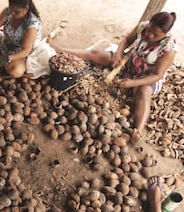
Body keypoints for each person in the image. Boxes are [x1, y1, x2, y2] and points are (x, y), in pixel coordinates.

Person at [48, 12, 177, 144]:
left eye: (155, 34)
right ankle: (62, 50)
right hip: (129, 62)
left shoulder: (168, 49)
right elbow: (127, 40)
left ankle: (137, 131)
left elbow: (157, 75)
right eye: (150, 30)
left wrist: (133, 83)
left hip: (147, 76)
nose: (150, 35)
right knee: (96, 54)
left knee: (143, 93)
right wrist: (118, 54)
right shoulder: (143, 26)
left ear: (165, 34)